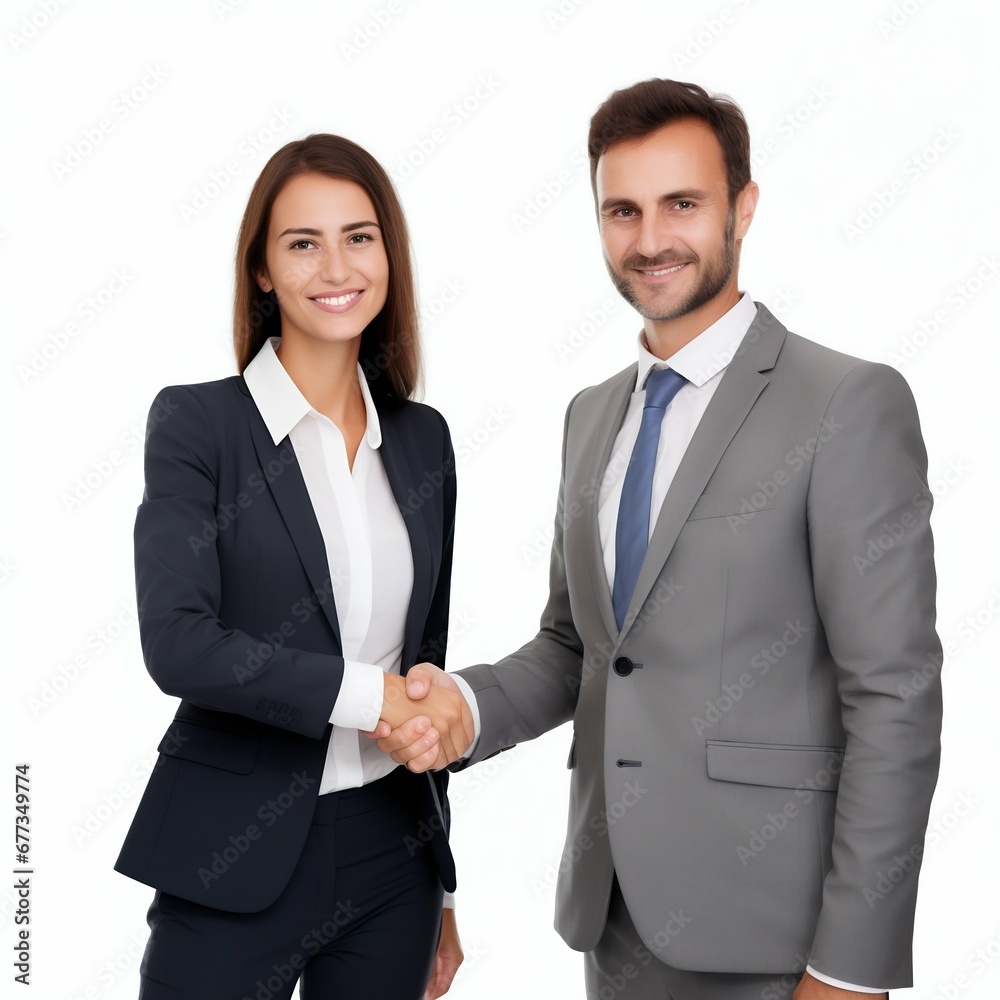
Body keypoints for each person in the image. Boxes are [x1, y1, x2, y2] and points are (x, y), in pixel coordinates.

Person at [372, 79, 943, 999]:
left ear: (743, 208)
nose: (651, 240)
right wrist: (462, 708)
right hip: (616, 918)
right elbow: (581, 649)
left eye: (683, 203)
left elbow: (895, 698)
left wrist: (851, 967)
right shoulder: (592, 416)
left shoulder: (845, 404)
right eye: (622, 211)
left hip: (780, 939)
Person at [114, 133, 475, 999]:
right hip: (233, 857)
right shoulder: (199, 427)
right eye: (302, 243)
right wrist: (367, 697)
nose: (335, 266)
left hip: (397, 860)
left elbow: (423, 660)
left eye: (359, 236)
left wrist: (447, 886)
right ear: (264, 271)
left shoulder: (422, 440)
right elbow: (178, 643)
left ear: (389, 255)